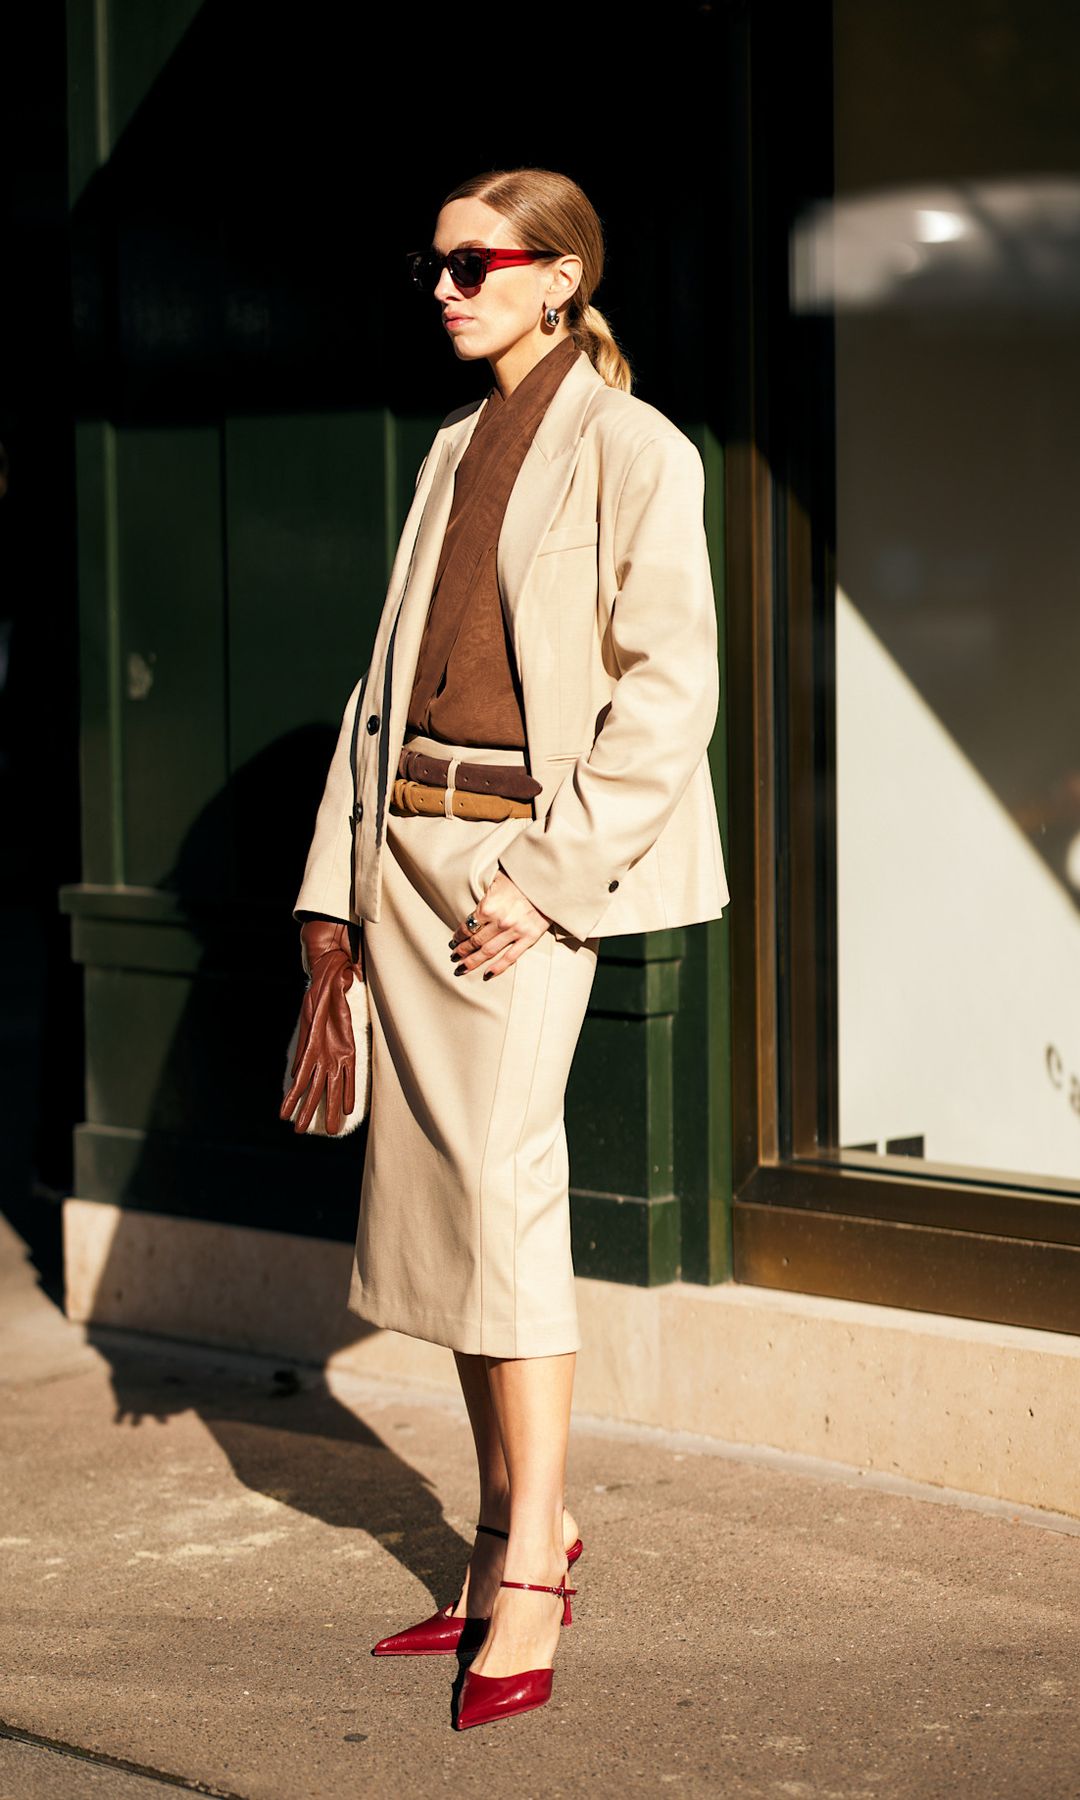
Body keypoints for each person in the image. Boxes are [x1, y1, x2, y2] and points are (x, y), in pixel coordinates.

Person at [280, 167, 729, 1731]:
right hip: (404, 851)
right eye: (439, 262)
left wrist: (548, 877)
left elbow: (672, 687)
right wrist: (335, 878)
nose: (448, 285)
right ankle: (502, 1530)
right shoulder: (458, 447)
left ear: (560, 276)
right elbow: (381, 679)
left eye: (477, 262)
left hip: (519, 867)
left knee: (503, 1194)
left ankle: (533, 1555)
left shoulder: (634, 448)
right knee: (452, 1207)